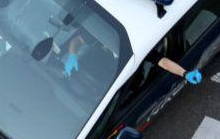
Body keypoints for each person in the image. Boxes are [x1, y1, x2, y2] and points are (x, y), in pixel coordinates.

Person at [63, 36, 202, 85]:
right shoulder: (103, 34)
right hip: (99, 73)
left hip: (127, 76)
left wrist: (185, 74)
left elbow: (163, 62)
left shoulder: (137, 47)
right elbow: (77, 40)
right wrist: (71, 54)